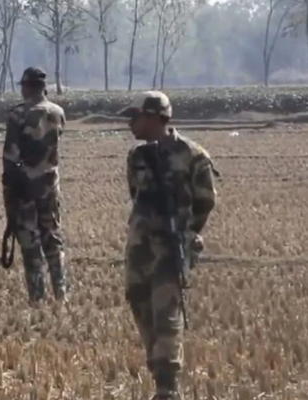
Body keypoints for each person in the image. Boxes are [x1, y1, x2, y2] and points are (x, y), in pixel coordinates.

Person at [119, 91, 218, 400]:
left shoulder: (193, 155)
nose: (130, 124)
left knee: (167, 315)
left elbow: (205, 201)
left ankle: (167, 386)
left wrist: (186, 233)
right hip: (140, 247)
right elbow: (135, 195)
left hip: (171, 248)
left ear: (152, 117)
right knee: (140, 305)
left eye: (135, 117)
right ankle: (158, 371)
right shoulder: (136, 156)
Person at [1, 67, 68, 303]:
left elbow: (10, 156)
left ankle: (37, 297)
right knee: (53, 239)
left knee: (31, 244)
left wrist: (9, 193)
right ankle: (61, 292)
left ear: (27, 87)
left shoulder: (18, 115)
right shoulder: (58, 112)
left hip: (24, 188)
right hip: (50, 186)